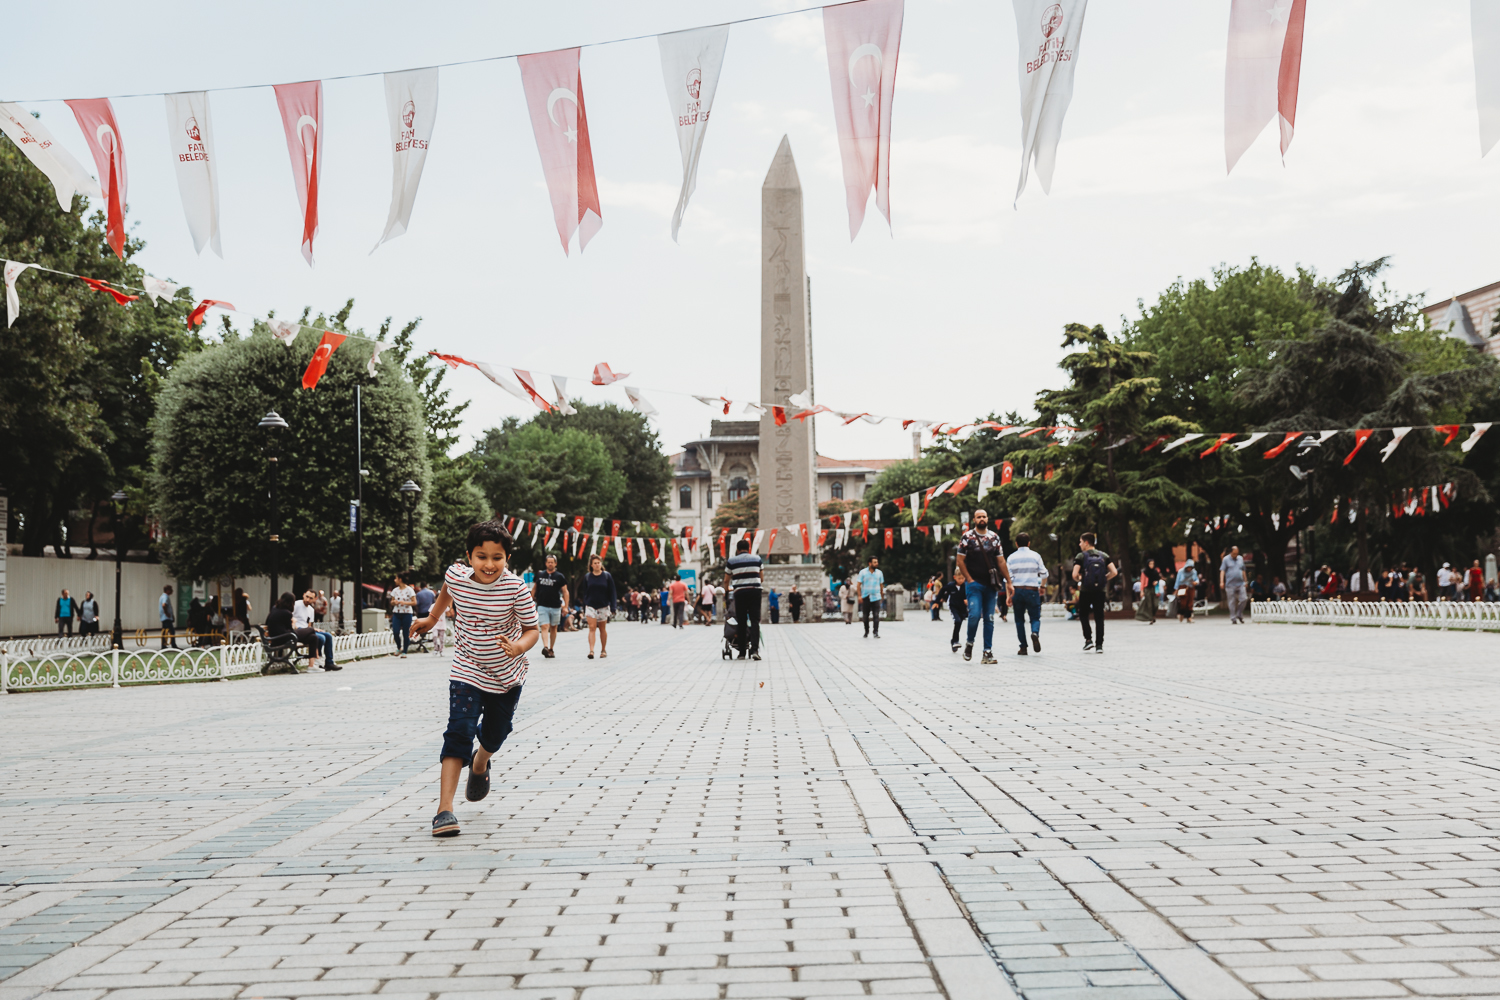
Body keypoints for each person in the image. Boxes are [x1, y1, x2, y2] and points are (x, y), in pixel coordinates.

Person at [410, 520, 539, 839]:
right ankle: (444, 810)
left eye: (497, 557)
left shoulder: (515, 588)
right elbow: (447, 591)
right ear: (469, 556)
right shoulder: (456, 576)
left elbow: (533, 629)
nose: (489, 564)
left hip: (507, 676)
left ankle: (480, 763)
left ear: (507, 559)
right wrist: (432, 617)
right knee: (459, 731)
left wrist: (519, 647)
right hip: (466, 670)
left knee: (496, 734)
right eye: (482, 556)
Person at [954, 508, 1013, 663]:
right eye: (979, 517)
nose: (982, 519)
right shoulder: (967, 537)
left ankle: (987, 652)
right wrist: (969, 579)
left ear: (988, 519)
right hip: (974, 584)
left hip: (991, 585)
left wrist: (1009, 582)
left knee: (990, 617)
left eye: (984, 516)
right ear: (974, 519)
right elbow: (959, 561)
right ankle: (969, 643)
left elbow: (1001, 561)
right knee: (974, 615)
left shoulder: (994, 538)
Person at [1071, 533, 1118, 653]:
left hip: (1086, 590)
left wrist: (1081, 579)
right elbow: (1114, 572)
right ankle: (1099, 646)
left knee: (1083, 614)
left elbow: (1075, 575)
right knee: (1099, 617)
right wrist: (1103, 579)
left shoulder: (1081, 556)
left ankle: (1088, 640)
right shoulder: (1104, 555)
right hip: (1100, 591)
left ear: (1086, 543)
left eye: (1081, 542)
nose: (1079, 544)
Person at [1006, 532, 1048, 655]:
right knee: (1035, 617)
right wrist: (1042, 586)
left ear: (1016, 544)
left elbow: (1008, 579)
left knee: (1019, 620)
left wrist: (1008, 596)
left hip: (1017, 590)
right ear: (1029, 543)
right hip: (1032, 590)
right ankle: (1035, 632)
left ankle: (1023, 647)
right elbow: (1045, 574)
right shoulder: (1036, 556)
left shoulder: (1011, 558)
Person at [726, 538, 763, 660]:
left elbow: (726, 580)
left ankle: (742, 652)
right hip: (755, 592)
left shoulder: (731, 561)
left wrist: (728, 589)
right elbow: (761, 578)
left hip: (740, 593)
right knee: (755, 621)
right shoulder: (757, 559)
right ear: (749, 548)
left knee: (741, 621)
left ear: (737, 549)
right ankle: (754, 650)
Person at [530, 555, 568, 659]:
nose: (550, 564)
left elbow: (565, 591)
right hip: (542, 605)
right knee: (544, 626)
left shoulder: (559, 576)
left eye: (552, 562)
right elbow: (534, 589)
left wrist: (566, 606)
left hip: (555, 605)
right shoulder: (540, 575)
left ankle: (551, 648)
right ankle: (545, 647)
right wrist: (530, 601)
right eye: (548, 562)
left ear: (555, 563)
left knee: (554, 627)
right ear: (546, 563)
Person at [580, 554, 617, 659]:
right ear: (591, 565)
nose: (597, 565)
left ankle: (603, 649)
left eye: (598, 563)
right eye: (595, 563)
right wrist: (584, 606)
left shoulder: (606, 576)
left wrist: (613, 606)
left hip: (603, 606)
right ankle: (591, 650)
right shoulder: (587, 577)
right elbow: (585, 593)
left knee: (602, 628)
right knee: (592, 628)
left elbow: (612, 592)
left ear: (601, 564)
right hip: (590, 605)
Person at [294, 589, 340, 671]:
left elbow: (309, 624)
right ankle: (316, 659)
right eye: (307, 597)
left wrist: (313, 629)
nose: (308, 600)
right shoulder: (296, 604)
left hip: (307, 630)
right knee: (321, 637)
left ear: (315, 599)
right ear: (303, 595)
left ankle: (329, 662)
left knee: (328, 636)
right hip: (298, 630)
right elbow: (291, 620)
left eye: (311, 598)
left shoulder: (311, 610)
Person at [939, 568, 968, 652]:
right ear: (955, 577)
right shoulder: (950, 586)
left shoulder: (965, 586)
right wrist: (937, 601)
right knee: (957, 621)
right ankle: (955, 641)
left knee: (959, 623)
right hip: (953, 606)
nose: (961, 580)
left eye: (963, 578)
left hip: (962, 608)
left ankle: (953, 640)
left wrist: (967, 600)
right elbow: (942, 591)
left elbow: (969, 594)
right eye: (959, 578)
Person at [857, 557, 885, 639]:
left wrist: (881, 595)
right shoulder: (863, 572)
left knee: (876, 615)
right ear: (870, 563)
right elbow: (858, 585)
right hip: (866, 596)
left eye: (877, 562)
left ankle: (875, 632)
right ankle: (866, 631)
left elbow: (881, 585)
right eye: (875, 562)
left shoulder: (879, 573)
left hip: (876, 597)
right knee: (865, 615)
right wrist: (859, 595)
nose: (877, 563)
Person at [1220, 545, 1249, 624]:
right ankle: (1233, 618)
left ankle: (1239, 614)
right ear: (1230, 552)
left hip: (1240, 583)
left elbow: (1243, 570)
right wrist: (1221, 581)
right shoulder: (1226, 559)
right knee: (1231, 601)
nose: (1235, 555)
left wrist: (1245, 581)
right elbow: (1222, 571)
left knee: (1244, 599)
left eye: (1237, 553)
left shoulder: (1240, 558)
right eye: (1234, 554)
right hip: (1230, 584)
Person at [390, 574, 416, 657]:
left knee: (406, 632)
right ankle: (399, 647)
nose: (395, 580)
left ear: (400, 579)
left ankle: (405, 651)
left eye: (396, 578)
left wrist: (404, 602)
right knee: (396, 631)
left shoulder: (409, 590)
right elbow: (391, 601)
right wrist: (394, 602)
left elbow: (414, 602)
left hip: (407, 613)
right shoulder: (395, 590)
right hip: (397, 613)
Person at [1136, 558, 1161, 623]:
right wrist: (1142, 591)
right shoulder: (1144, 572)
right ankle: (1151, 618)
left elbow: (1158, 579)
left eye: (1153, 564)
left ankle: (1153, 615)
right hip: (1147, 589)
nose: (1151, 565)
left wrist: (1156, 582)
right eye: (1150, 564)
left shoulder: (1156, 571)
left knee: (1155, 604)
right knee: (1149, 605)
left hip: (1155, 589)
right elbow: (1142, 582)